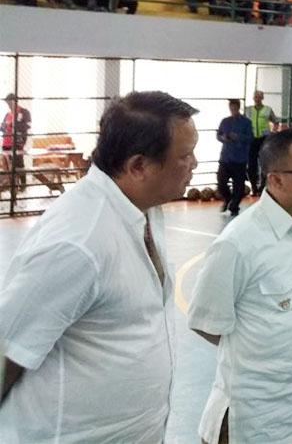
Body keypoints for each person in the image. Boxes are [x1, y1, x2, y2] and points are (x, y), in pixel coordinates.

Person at [0, 91, 199, 442]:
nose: (195, 164)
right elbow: (6, 352)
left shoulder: (144, 207)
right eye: (184, 156)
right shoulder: (77, 242)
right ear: (138, 166)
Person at [188, 129, 292, 444]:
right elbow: (207, 324)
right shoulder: (238, 243)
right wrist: (262, 349)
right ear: (275, 180)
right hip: (258, 421)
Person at [216, 99, 253, 216]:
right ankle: (227, 198)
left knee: (239, 186)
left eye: (235, 108)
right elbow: (218, 135)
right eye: (231, 108)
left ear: (238, 108)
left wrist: (238, 137)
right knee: (221, 182)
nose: (233, 110)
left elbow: (250, 138)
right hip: (225, 158)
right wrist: (223, 138)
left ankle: (234, 206)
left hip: (239, 159)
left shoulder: (246, 122)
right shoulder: (225, 121)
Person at [245, 90, 279, 196]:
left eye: (259, 97)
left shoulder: (268, 110)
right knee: (251, 165)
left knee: (264, 163)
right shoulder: (248, 110)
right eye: (256, 97)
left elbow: (276, 121)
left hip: (264, 139)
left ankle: (262, 187)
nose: (257, 99)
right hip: (251, 139)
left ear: (262, 98)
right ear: (253, 98)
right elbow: (244, 122)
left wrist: (273, 131)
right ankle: (254, 187)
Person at [1, 93, 31, 190]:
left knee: (19, 163)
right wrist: (4, 126)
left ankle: (23, 185)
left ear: (14, 101)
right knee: (8, 165)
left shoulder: (24, 112)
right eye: (7, 103)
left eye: (9, 102)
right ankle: (12, 185)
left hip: (17, 143)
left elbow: (27, 125)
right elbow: (2, 127)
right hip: (6, 143)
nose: (8, 104)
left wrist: (13, 125)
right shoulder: (7, 114)